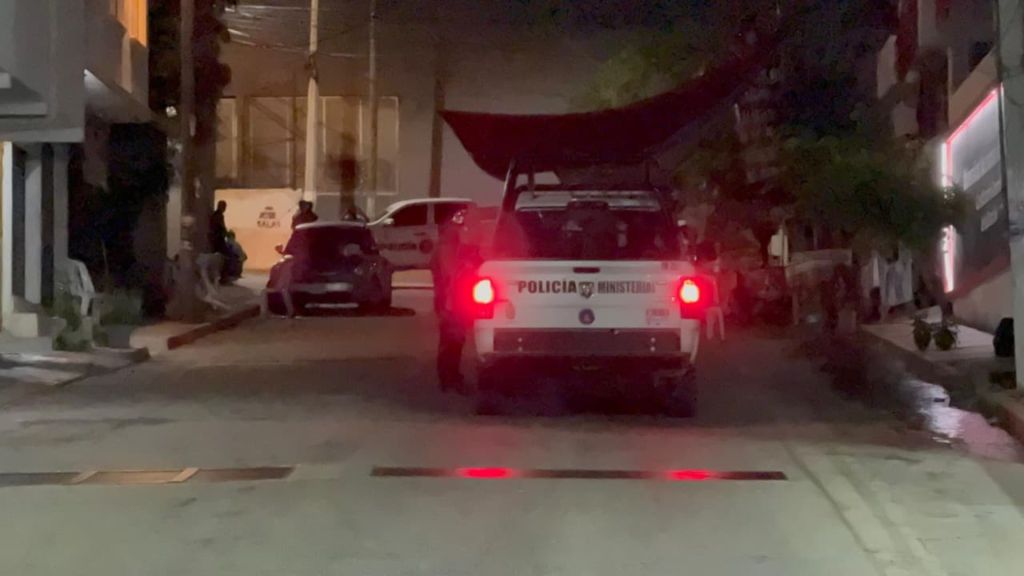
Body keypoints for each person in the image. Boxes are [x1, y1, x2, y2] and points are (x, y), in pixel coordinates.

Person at [431, 208, 480, 394]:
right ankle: (449, 378)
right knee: (452, 340)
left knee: (452, 340)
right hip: (450, 302)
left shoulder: (446, 246)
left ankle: (448, 377)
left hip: (449, 301)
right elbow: (450, 275)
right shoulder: (447, 248)